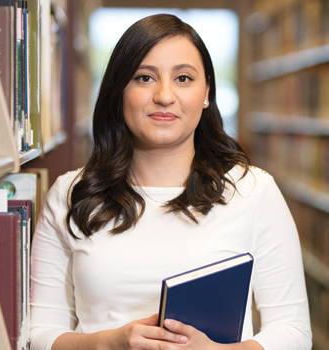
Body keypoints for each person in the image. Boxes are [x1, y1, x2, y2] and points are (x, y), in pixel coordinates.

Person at [30, 14, 312, 350]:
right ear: (119, 91)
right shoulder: (70, 194)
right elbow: (38, 332)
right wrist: (112, 342)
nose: (165, 96)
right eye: (145, 77)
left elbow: (293, 332)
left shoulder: (253, 191)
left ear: (206, 92)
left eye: (183, 78)